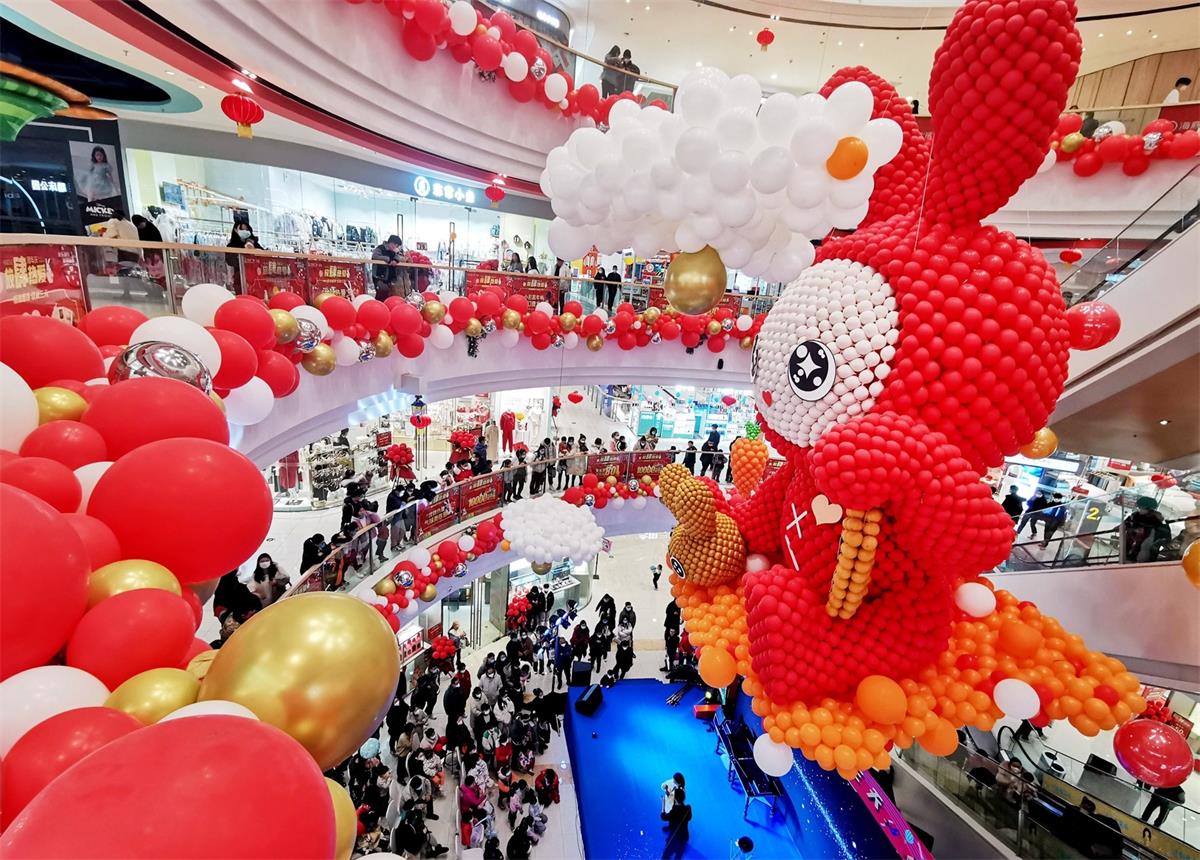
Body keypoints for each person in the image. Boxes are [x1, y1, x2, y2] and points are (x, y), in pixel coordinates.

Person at [1124, 496, 1172, 562]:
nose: (1139, 509)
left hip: (1144, 556)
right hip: (1128, 551)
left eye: (1141, 508)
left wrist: (1155, 543)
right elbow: (1125, 524)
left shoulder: (1158, 521)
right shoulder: (1135, 516)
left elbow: (1166, 538)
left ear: (1149, 509)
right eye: (1139, 507)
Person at [660, 787, 692, 860]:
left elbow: (663, 817)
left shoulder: (674, 811)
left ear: (675, 799)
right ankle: (679, 852)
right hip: (684, 837)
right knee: (678, 855)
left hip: (674, 838)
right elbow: (689, 818)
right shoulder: (687, 808)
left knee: (665, 856)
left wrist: (663, 804)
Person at [370, 234, 403, 300]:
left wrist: (395, 260)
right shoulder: (380, 248)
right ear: (390, 243)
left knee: (389, 295)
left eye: (397, 246)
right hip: (379, 276)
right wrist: (387, 259)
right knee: (381, 293)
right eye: (395, 245)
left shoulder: (395, 251)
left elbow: (400, 256)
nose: (395, 247)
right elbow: (374, 256)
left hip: (390, 278)